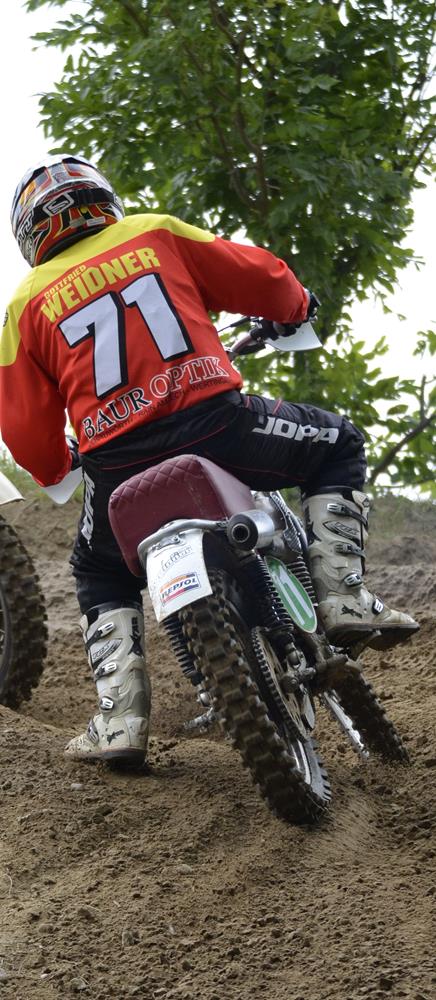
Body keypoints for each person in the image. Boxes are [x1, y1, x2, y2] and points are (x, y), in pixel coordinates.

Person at [0, 154, 418, 766]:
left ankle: (120, 718)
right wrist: (296, 305)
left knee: (98, 571)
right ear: (102, 200)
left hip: (117, 464)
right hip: (217, 426)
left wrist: (54, 468)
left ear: (30, 233)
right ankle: (344, 597)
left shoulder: (25, 303)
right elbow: (262, 277)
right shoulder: (155, 233)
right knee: (337, 444)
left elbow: (22, 427)